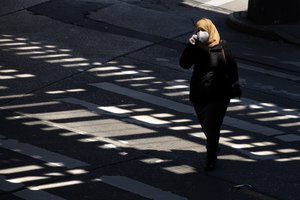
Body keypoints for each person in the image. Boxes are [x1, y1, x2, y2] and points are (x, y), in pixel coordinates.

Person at [179, 18, 241, 171]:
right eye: (198, 30)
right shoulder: (196, 47)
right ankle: (213, 144)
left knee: (212, 126)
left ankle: (211, 156)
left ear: (210, 30)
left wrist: (234, 83)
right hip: (199, 94)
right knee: (206, 126)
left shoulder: (222, 46)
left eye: (203, 30)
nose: (200, 33)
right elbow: (184, 64)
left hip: (219, 95)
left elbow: (232, 67)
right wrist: (190, 45)